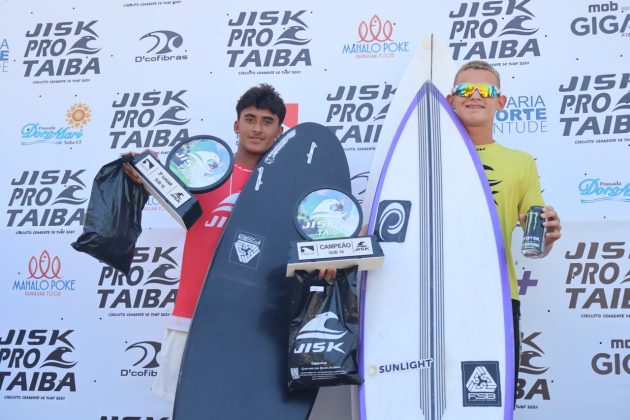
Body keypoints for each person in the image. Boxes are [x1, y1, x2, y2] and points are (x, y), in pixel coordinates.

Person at [125, 83, 335, 402]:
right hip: (192, 317)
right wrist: (141, 167)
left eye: (267, 121)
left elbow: (328, 232)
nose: (256, 128)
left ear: (280, 130)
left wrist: (333, 253)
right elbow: (147, 178)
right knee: (191, 408)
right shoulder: (199, 172)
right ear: (236, 124)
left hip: (256, 326)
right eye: (250, 119)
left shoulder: (290, 187)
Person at [446, 60, 562, 401]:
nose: (476, 96)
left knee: (489, 401)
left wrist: (547, 237)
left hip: (496, 297)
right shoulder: (426, 156)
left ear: (501, 102)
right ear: (451, 99)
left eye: (487, 91)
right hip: (430, 296)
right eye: (467, 90)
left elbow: (535, 243)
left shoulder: (521, 162)